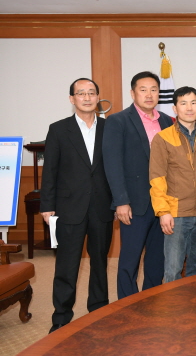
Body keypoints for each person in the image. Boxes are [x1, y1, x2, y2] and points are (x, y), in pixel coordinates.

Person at [40, 78, 114, 333]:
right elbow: (49, 171)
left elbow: (116, 167)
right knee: (67, 264)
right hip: (68, 207)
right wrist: (47, 206)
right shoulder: (59, 129)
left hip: (102, 206)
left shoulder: (109, 127)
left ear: (98, 97)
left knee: (100, 262)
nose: (87, 97)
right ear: (72, 99)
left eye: (91, 92)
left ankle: (99, 309)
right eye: (81, 93)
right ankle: (61, 316)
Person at [103, 71, 173, 299]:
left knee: (157, 258)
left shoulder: (166, 121)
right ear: (133, 93)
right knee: (129, 260)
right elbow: (112, 164)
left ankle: (152, 301)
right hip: (134, 203)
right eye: (143, 90)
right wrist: (121, 201)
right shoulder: (118, 121)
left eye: (154, 89)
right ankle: (127, 305)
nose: (149, 94)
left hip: (162, 203)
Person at [149, 86, 196, 282]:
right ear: (175, 108)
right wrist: (163, 211)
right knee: (173, 270)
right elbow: (157, 177)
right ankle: (172, 304)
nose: (189, 108)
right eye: (183, 103)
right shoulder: (163, 138)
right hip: (176, 214)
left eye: (193, 103)